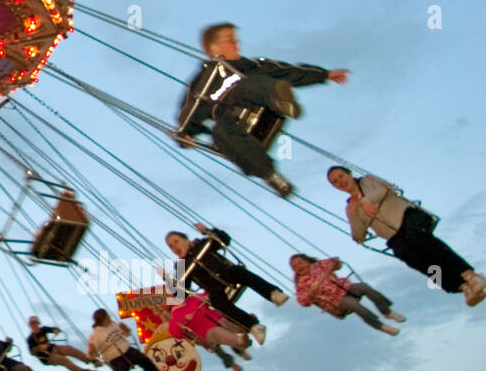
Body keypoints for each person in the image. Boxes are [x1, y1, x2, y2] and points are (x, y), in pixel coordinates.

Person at [175, 23, 349, 197]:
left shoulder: (251, 66)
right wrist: (186, 132)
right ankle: (271, 175)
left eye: (236, 40)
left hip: (264, 109)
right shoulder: (200, 84)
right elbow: (189, 110)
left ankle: (280, 99)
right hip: (240, 130)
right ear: (214, 47)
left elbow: (288, 71)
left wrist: (324, 75)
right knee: (219, 132)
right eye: (230, 40)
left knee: (251, 83)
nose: (237, 44)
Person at [328, 166, 485, 307]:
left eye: (341, 176)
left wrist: (365, 201)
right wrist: (354, 213)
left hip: (407, 216)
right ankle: (460, 286)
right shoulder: (350, 208)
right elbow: (358, 235)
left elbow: (384, 188)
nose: (340, 182)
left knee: (417, 238)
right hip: (394, 236)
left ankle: (469, 275)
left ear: (349, 174)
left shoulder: (368, 180)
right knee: (410, 256)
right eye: (335, 182)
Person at [166, 224, 288, 345]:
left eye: (176, 242)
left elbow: (224, 239)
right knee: (218, 302)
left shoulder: (202, 244)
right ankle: (253, 325)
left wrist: (207, 231)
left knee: (241, 273)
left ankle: (273, 293)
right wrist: (173, 284)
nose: (175, 247)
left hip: (225, 272)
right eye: (171, 246)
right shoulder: (181, 265)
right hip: (213, 286)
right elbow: (182, 292)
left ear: (186, 239)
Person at [290, 254, 403, 335]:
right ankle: (380, 326)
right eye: (295, 267)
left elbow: (335, 262)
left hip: (345, 287)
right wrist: (310, 295)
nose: (299, 267)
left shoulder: (319, 266)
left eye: (300, 263)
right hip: (335, 302)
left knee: (363, 287)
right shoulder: (301, 283)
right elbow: (302, 301)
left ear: (307, 261)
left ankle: (386, 311)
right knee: (354, 305)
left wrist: (335, 263)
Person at [86, 309, 163, 371]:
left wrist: (126, 329)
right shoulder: (95, 336)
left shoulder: (113, 324)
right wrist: (91, 352)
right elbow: (91, 355)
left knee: (145, 361)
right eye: (107, 317)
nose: (109, 318)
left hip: (126, 349)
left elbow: (127, 334)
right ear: (102, 320)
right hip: (114, 357)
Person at [166, 291, 254, 360]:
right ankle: (240, 341)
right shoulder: (175, 316)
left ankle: (246, 330)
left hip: (218, 319)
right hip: (207, 331)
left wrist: (207, 297)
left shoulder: (192, 299)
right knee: (219, 333)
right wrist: (185, 320)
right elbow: (175, 334)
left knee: (228, 324)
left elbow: (206, 296)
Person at [26, 316, 98, 371]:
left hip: (53, 348)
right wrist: (40, 347)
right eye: (32, 324)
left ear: (38, 323)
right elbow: (32, 351)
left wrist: (55, 330)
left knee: (70, 349)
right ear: (30, 326)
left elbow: (52, 329)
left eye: (35, 323)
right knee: (64, 360)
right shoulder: (30, 339)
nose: (34, 326)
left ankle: (91, 360)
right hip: (47, 357)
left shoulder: (43, 329)